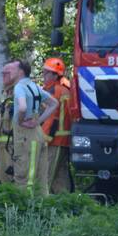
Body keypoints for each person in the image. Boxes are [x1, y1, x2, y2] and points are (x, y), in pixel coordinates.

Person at [2, 60, 58, 195]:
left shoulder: (19, 87)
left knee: (23, 177)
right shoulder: (34, 86)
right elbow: (54, 103)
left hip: (25, 136)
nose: (8, 72)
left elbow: (22, 107)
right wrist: (38, 121)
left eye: (12, 69)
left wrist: (20, 121)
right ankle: (43, 209)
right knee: (41, 178)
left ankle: (25, 211)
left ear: (20, 71)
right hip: (39, 135)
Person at [41, 58, 73, 194]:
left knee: (46, 175)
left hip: (54, 141)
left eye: (46, 73)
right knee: (61, 175)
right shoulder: (64, 89)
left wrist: (43, 139)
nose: (43, 75)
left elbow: (51, 119)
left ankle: (42, 205)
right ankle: (66, 203)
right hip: (62, 141)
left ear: (55, 75)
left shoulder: (55, 91)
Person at [0, 83, 15, 184]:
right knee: (1, 178)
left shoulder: (15, 104)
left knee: (11, 177)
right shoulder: (4, 105)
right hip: (2, 148)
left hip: (11, 148)